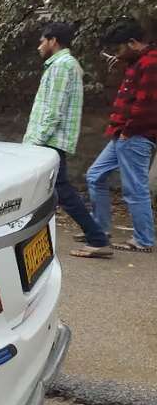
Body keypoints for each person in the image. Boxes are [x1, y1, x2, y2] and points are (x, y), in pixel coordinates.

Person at [23, 22, 112, 258]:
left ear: (53, 41)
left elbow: (54, 109)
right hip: (50, 140)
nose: (40, 46)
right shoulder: (62, 65)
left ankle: (97, 238)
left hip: (49, 141)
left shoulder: (62, 66)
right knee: (48, 190)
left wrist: (35, 141)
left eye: (43, 40)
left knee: (61, 190)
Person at [84, 18, 157, 253]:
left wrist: (128, 131)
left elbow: (147, 105)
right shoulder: (136, 62)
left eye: (119, 49)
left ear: (133, 42)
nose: (116, 53)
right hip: (122, 134)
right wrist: (123, 61)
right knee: (95, 176)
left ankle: (144, 240)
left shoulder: (150, 63)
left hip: (135, 135)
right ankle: (100, 230)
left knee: (135, 188)